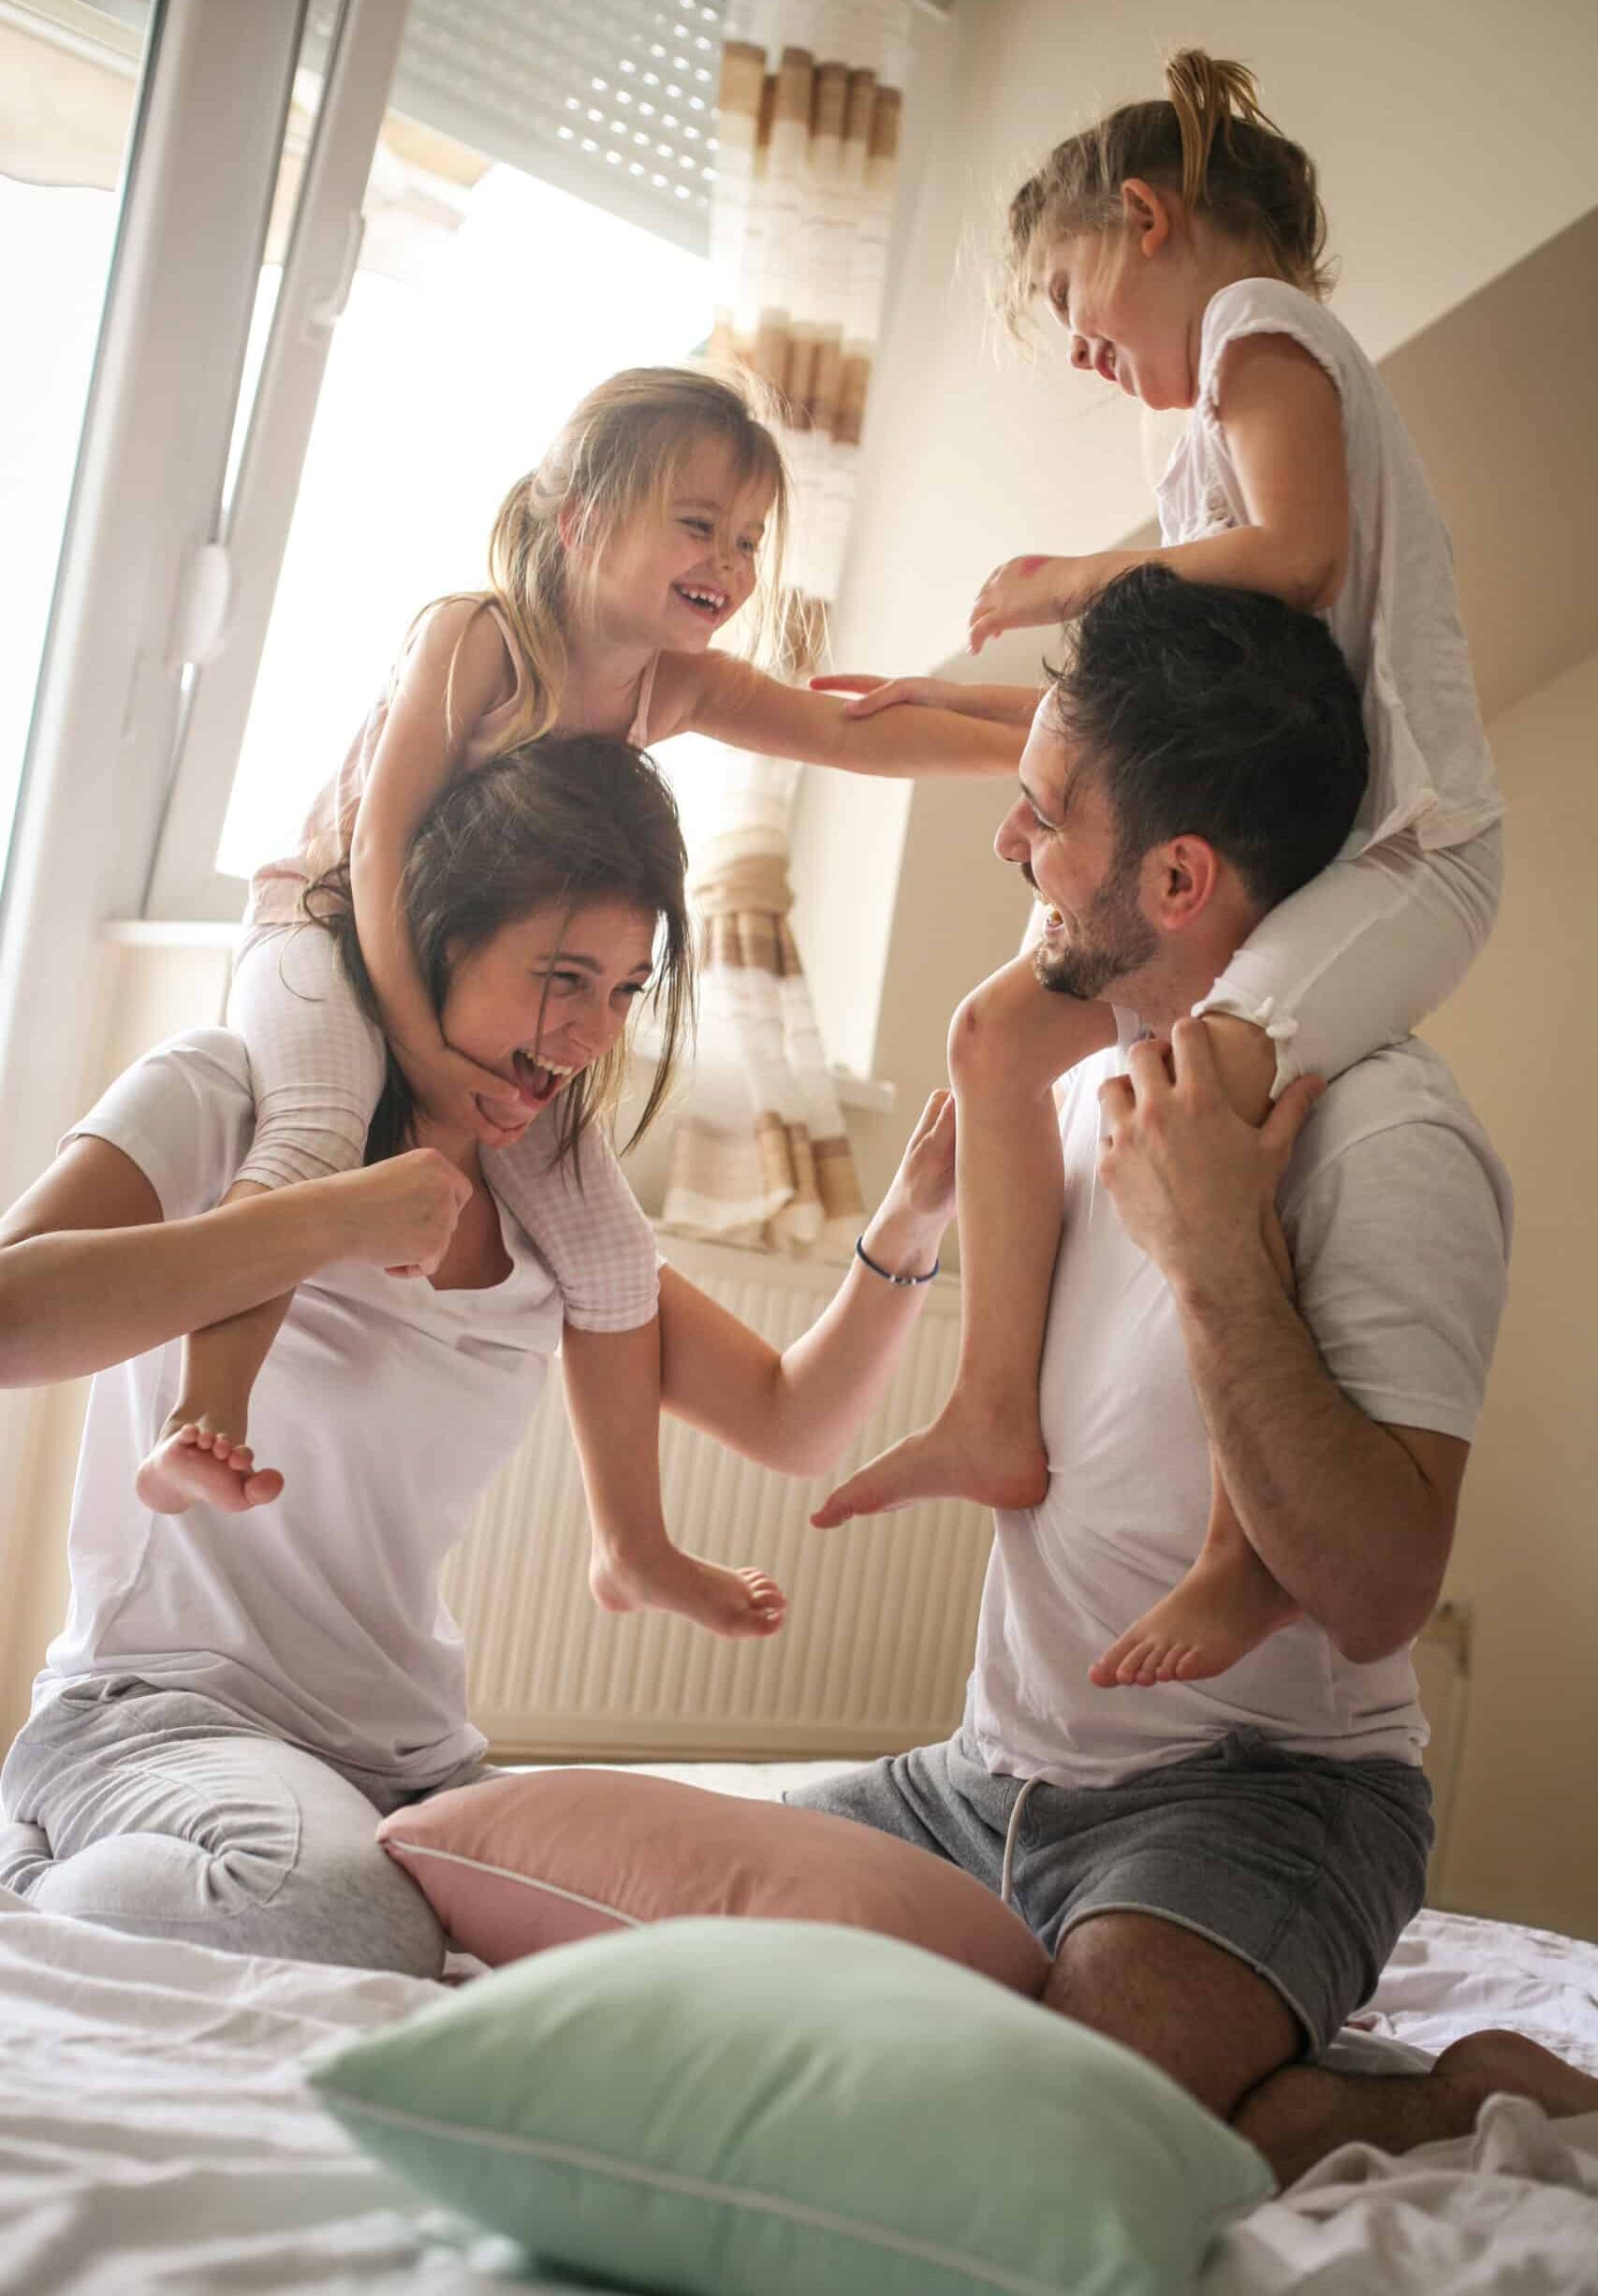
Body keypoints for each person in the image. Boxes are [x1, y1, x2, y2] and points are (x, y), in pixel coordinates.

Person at [794, 566, 1598, 2183]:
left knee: (1022, 2138)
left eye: (1042, 817)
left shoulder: (1388, 1139)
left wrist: (1223, 1256)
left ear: (1174, 874)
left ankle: (1446, 2103)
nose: (1010, 847)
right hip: (980, 1782)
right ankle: (1275, 2095)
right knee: (651, 1969)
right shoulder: (1067, 1084)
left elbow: (1378, 1589)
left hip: (1258, 1806)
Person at [0, 736, 956, 1979]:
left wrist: (912, 1222)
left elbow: (793, 1422)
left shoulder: (551, 1211)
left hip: (412, 1757)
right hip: (163, 1716)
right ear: (434, 937)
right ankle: (31, 1870)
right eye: (561, 976)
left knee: (780, 1924)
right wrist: (327, 1217)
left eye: (621, 990)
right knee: (335, 1910)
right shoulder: (223, 1095)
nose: (586, 1036)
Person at [814, 52, 1505, 1698]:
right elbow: (1143, 723)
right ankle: (995, 1411)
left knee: (1205, 1092)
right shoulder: (1208, 412)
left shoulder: (1266, 330)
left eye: (1071, 291)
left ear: (1146, 220)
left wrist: (1073, 568)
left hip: (1416, 859)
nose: (1075, 341)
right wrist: (943, 705)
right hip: (1319, 845)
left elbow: (1299, 553)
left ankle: (1245, 1553)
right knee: (994, 1040)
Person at [150, 365, 1015, 1644]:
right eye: (698, 522)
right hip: (326, 925)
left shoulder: (676, 684)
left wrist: (1046, 741)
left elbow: (854, 739)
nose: (728, 560)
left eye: (748, 539)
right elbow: (380, 850)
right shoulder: (482, 639)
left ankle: (634, 1545)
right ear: (578, 518)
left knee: (613, 1253)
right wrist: (424, 1053)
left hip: (463, 990)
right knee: (322, 1126)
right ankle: (203, 1406)